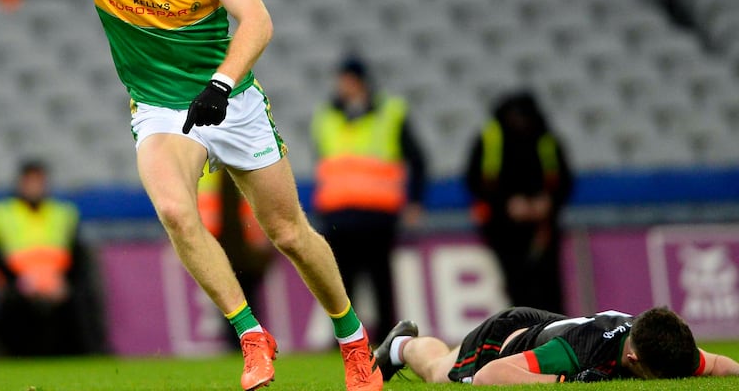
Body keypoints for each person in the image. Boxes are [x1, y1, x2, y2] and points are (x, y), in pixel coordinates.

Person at [0, 0, 382, 391]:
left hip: (231, 99)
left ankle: (354, 345)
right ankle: (252, 337)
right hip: (161, 109)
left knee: (288, 232)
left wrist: (222, 84)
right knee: (177, 213)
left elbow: (256, 21)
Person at [311, 55, 427, 341]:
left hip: (377, 213)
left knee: (381, 282)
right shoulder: (326, 117)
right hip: (338, 213)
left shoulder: (390, 112)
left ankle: (389, 338)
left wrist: (414, 200)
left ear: (360, 81)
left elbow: (418, 159)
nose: (343, 86)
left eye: (347, 80)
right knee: (340, 283)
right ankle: (343, 338)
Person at [373, 306, 739, 385]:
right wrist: (563, 383)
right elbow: (489, 376)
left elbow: (721, 364)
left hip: (545, 327)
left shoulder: (667, 344)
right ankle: (401, 346)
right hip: (502, 341)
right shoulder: (575, 354)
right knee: (441, 372)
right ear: (632, 357)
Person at [0, 159, 107, 356]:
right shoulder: (0, 214)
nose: (34, 187)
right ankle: (9, 355)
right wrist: (16, 283)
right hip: (19, 284)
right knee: (9, 309)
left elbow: (77, 256)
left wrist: (64, 283)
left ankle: (90, 354)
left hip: (57, 283)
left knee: (82, 301)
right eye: (30, 181)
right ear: (20, 184)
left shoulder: (63, 213)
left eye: (38, 181)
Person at [463, 90, 573, 313]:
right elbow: (474, 180)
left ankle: (560, 332)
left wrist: (547, 203)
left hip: (542, 227)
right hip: (503, 227)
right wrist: (506, 205)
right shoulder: (489, 139)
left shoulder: (546, 140)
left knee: (549, 283)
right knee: (517, 283)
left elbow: (565, 180)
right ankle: (524, 332)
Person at [197, 168, 273, 350]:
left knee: (238, 295)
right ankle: (246, 341)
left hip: (236, 244)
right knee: (240, 296)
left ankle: (244, 341)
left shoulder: (206, 167)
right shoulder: (242, 164)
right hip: (226, 243)